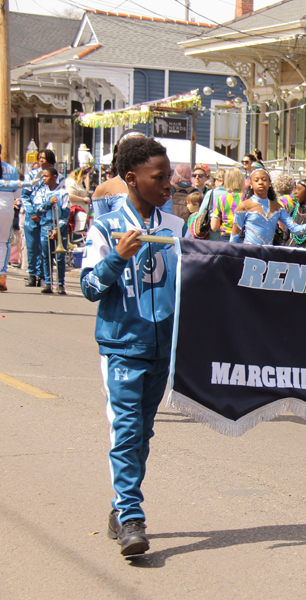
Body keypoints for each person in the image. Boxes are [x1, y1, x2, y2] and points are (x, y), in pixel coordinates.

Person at [80, 136, 185, 557]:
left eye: (169, 177)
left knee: (142, 436)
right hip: (122, 347)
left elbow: (192, 283)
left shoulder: (175, 227)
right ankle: (130, 517)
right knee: (126, 433)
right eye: (159, 178)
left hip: (163, 351)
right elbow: (90, 287)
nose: (169, 185)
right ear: (131, 179)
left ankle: (118, 508)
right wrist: (116, 257)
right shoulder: (105, 227)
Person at [230, 167, 306, 246]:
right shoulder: (243, 207)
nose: (260, 182)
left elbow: (294, 228)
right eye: (256, 180)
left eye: (264, 179)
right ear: (251, 184)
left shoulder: (277, 207)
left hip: (268, 254)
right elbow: (234, 235)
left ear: (269, 183)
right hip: (250, 252)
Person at [20, 149, 56, 287]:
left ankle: (43, 275)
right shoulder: (31, 176)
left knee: (45, 246)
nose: (41, 160)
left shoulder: (56, 177)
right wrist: (31, 212)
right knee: (32, 246)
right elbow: (25, 195)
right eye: (39, 158)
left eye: (44, 158)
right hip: (33, 215)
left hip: (47, 215)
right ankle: (31, 274)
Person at [91, 130, 146, 218]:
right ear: (120, 150)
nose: (138, 152)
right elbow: (100, 228)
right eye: (131, 147)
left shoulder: (159, 186)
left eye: (143, 147)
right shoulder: (105, 189)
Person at [35, 167, 70, 294]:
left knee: (60, 257)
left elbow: (66, 214)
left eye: (46, 176)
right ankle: (48, 283)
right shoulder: (41, 193)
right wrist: (48, 203)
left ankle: (61, 284)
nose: (44, 178)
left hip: (59, 228)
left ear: (54, 176)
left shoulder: (63, 193)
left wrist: (58, 229)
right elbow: (38, 210)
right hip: (46, 226)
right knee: (46, 256)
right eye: (43, 176)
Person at [0, 143, 20, 292]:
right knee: (2, 243)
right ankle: (1, 276)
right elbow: (16, 194)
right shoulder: (11, 169)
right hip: (6, 207)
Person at [210, 168, 246, 238]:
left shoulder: (220, 199)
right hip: (243, 236)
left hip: (226, 237)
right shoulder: (247, 198)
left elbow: (214, 227)